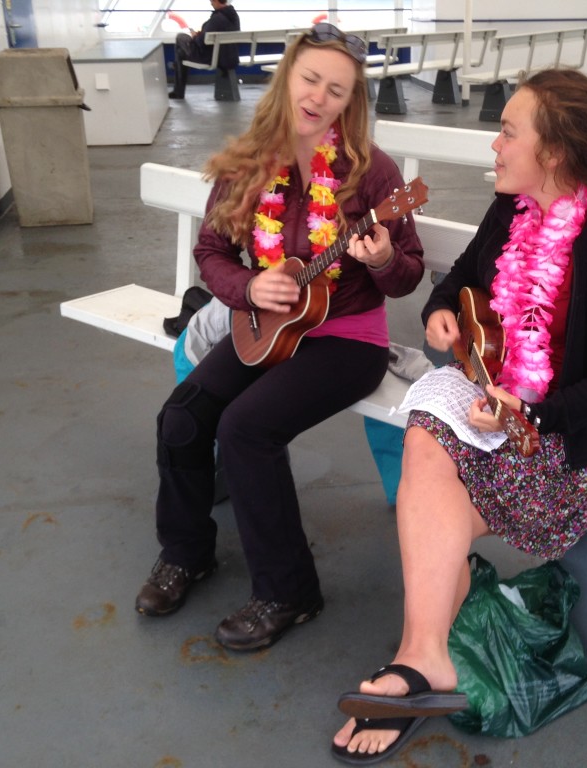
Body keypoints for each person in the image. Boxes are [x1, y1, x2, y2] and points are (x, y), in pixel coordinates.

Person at [331, 67, 587, 764]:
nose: (494, 145)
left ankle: (417, 662)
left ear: (552, 152)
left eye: (508, 131)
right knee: (426, 435)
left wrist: (535, 413)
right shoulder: (511, 211)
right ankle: (424, 657)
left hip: (564, 444)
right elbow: (456, 282)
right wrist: (443, 314)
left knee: (434, 478)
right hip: (492, 406)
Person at [134, 24, 425, 653]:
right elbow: (211, 249)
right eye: (311, 79)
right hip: (267, 327)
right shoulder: (249, 159)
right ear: (288, 76)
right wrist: (246, 288)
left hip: (347, 340)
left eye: (338, 90)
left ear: (353, 102)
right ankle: (187, 552)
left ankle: (290, 592)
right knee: (182, 415)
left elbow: (406, 275)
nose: (320, 96)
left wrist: (377, 260)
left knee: (246, 427)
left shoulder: (373, 174)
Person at [169, 0, 240, 99]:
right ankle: (177, 83)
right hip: (228, 55)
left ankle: (178, 91)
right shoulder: (233, 16)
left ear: (216, 1)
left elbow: (202, 42)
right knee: (180, 53)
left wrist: (195, 36)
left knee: (181, 38)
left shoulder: (217, 18)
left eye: (211, 1)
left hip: (211, 57)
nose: (211, 3)